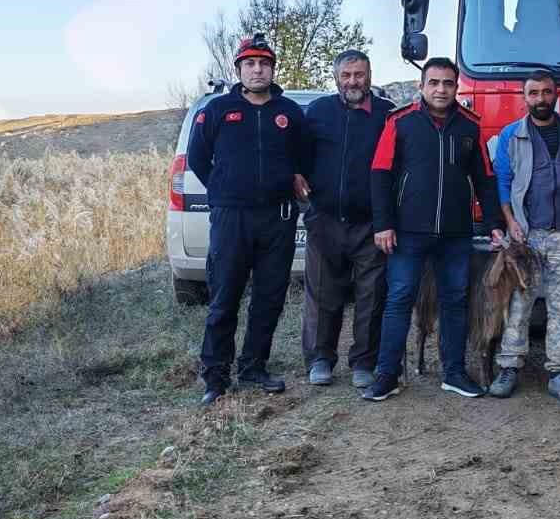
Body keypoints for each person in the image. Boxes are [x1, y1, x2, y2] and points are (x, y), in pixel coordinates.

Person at [363, 57, 505, 401]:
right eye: (434, 83)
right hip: (407, 233)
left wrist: (494, 224)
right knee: (399, 300)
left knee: (455, 301)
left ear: (457, 87)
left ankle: (454, 373)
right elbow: (380, 174)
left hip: (456, 235)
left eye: (448, 83)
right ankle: (386, 375)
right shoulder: (401, 122)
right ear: (421, 86)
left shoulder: (470, 126)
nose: (441, 89)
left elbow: (485, 179)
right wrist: (383, 225)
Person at [186, 34, 308, 403]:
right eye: (250, 64)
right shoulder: (217, 110)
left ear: (272, 69)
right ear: (238, 69)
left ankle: (254, 367)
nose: (257, 70)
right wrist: (224, 191)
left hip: (279, 218)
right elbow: (197, 159)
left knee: (269, 298)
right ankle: (216, 378)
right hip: (231, 219)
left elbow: (303, 160)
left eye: (264, 63)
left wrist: (294, 179)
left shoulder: (290, 112)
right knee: (225, 298)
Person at [488, 71, 560, 403]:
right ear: (525, 97)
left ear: (557, 95)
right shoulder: (512, 135)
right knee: (519, 304)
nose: (541, 99)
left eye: (546, 92)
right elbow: (503, 183)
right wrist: (510, 222)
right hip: (527, 237)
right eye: (533, 93)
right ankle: (509, 367)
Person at [296, 50, 395, 388]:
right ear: (336, 77)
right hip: (324, 219)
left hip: (371, 225)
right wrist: (297, 176)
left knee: (371, 296)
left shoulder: (386, 114)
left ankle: (364, 362)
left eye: (360, 74)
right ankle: (321, 358)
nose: (353, 81)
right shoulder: (319, 112)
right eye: (347, 75)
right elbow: (297, 151)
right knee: (323, 294)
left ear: (369, 75)